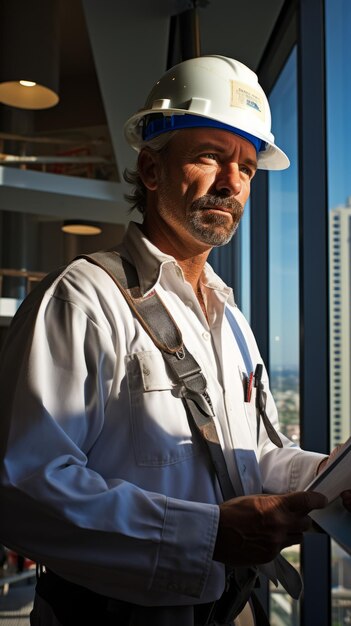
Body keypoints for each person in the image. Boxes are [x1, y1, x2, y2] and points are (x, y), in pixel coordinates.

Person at [0, 55, 348, 626]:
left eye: (247, 167)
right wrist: (208, 534)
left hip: (229, 608)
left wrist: (327, 480)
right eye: (209, 156)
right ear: (152, 169)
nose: (231, 182)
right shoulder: (82, 299)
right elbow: (24, 489)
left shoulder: (230, 316)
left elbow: (250, 457)